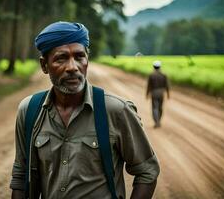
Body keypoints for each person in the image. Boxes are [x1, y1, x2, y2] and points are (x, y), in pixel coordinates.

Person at [10, 21, 160, 199]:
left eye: (79, 56)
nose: (72, 67)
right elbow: (21, 175)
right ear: (44, 65)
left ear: (87, 60)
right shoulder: (29, 110)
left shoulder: (116, 110)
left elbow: (147, 171)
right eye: (61, 58)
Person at [146, 60, 170, 128]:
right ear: (160, 66)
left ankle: (156, 122)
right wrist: (168, 94)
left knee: (154, 108)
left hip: (154, 93)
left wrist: (147, 94)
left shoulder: (151, 75)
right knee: (160, 108)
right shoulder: (163, 75)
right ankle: (158, 120)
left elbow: (149, 86)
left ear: (154, 67)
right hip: (161, 93)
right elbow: (167, 85)